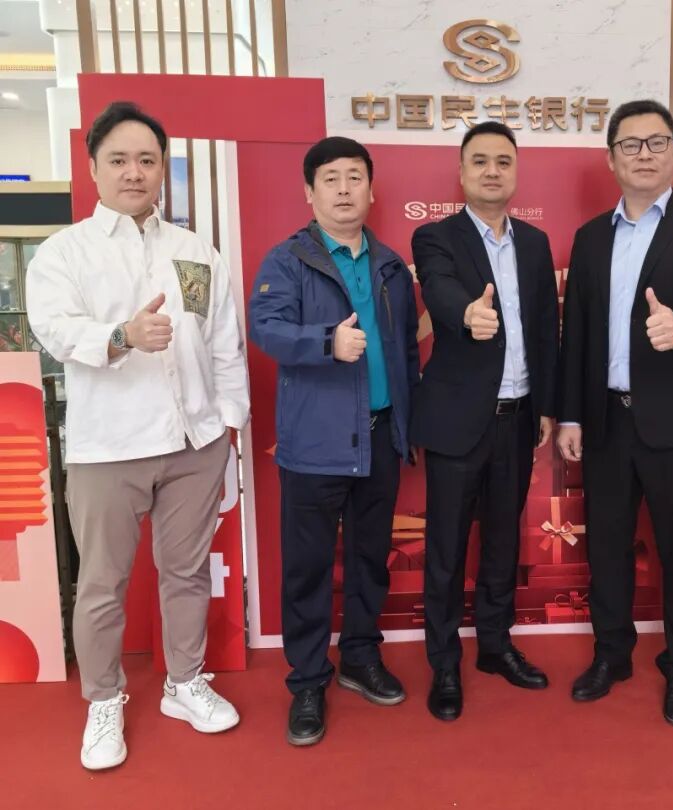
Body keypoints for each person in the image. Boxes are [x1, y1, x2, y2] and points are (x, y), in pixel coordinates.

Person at [25, 101, 250, 770]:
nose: (134, 172)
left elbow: (223, 340)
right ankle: (104, 699)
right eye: (119, 159)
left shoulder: (194, 251)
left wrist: (229, 420)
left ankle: (185, 682)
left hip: (194, 444)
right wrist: (121, 336)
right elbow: (55, 329)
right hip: (107, 449)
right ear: (94, 168)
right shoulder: (64, 252)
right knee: (103, 582)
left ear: (162, 170)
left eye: (147, 160)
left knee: (185, 573)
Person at [557, 99, 673, 726]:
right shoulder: (591, 237)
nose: (644, 154)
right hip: (606, 420)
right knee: (606, 547)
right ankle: (611, 654)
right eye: (630, 144)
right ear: (611, 158)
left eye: (656, 142)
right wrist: (571, 416)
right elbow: (577, 334)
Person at [248, 137, 420, 746]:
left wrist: (407, 427)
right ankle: (307, 681)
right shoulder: (287, 260)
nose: (344, 189)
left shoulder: (391, 266)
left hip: (379, 438)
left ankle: (361, 657)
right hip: (315, 444)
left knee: (371, 559)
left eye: (354, 177)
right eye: (330, 178)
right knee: (309, 568)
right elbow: (266, 329)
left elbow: (405, 354)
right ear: (309, 192)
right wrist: (327, 342)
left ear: (372, 189)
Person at [410, 121, 560, 721]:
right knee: (446, 548)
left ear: (515, 171)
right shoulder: (435, 236)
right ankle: (444, 663)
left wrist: (547, 404)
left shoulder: (536, 243)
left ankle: (496, 646)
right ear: (462, 172)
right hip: (457, 419)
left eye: (503, 160)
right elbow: (440, 290)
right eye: (480, 161)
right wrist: (467, 313)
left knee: (503, 541)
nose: (492, 171)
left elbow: (546, 329)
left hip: (519, 417)